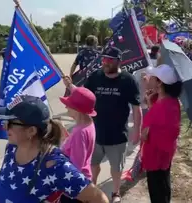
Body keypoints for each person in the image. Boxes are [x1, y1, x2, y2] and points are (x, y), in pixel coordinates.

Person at [0, 95, 109, 203]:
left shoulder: (55, 166)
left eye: (10, 122)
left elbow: (99, 199)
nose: (4, 126)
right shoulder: (11, 148)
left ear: (31, 131)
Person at [63, 46, 142, 203]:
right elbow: (84, 96)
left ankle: (116, 192)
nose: (105, 63)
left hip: (118, 134)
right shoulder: (96, 76)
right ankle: (92, 188)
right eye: (104, 59)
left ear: (119, 62)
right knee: (93, 164)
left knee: (116, 168)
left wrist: (137, 131)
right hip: (95, 133)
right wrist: (70, 86)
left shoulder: (128, 80)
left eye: (109, 60)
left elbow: (136, 106)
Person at [141, 64, 182, 203]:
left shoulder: (163, 106)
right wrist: (150, 101)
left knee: (157, 189)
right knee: (163, 185)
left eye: (153, 77)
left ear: (160, 83)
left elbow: (145, 134)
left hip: (156, 155)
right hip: (164, 154)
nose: (149, 78)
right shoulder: (170, 100)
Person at [59, 87, 97, 203]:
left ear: (77, 109)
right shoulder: (88, 124)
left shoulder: (79, 133)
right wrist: (67, 138)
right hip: (81, 182)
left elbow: (75, 166)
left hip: (73, 188)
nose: (66, 107)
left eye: (68, 104)